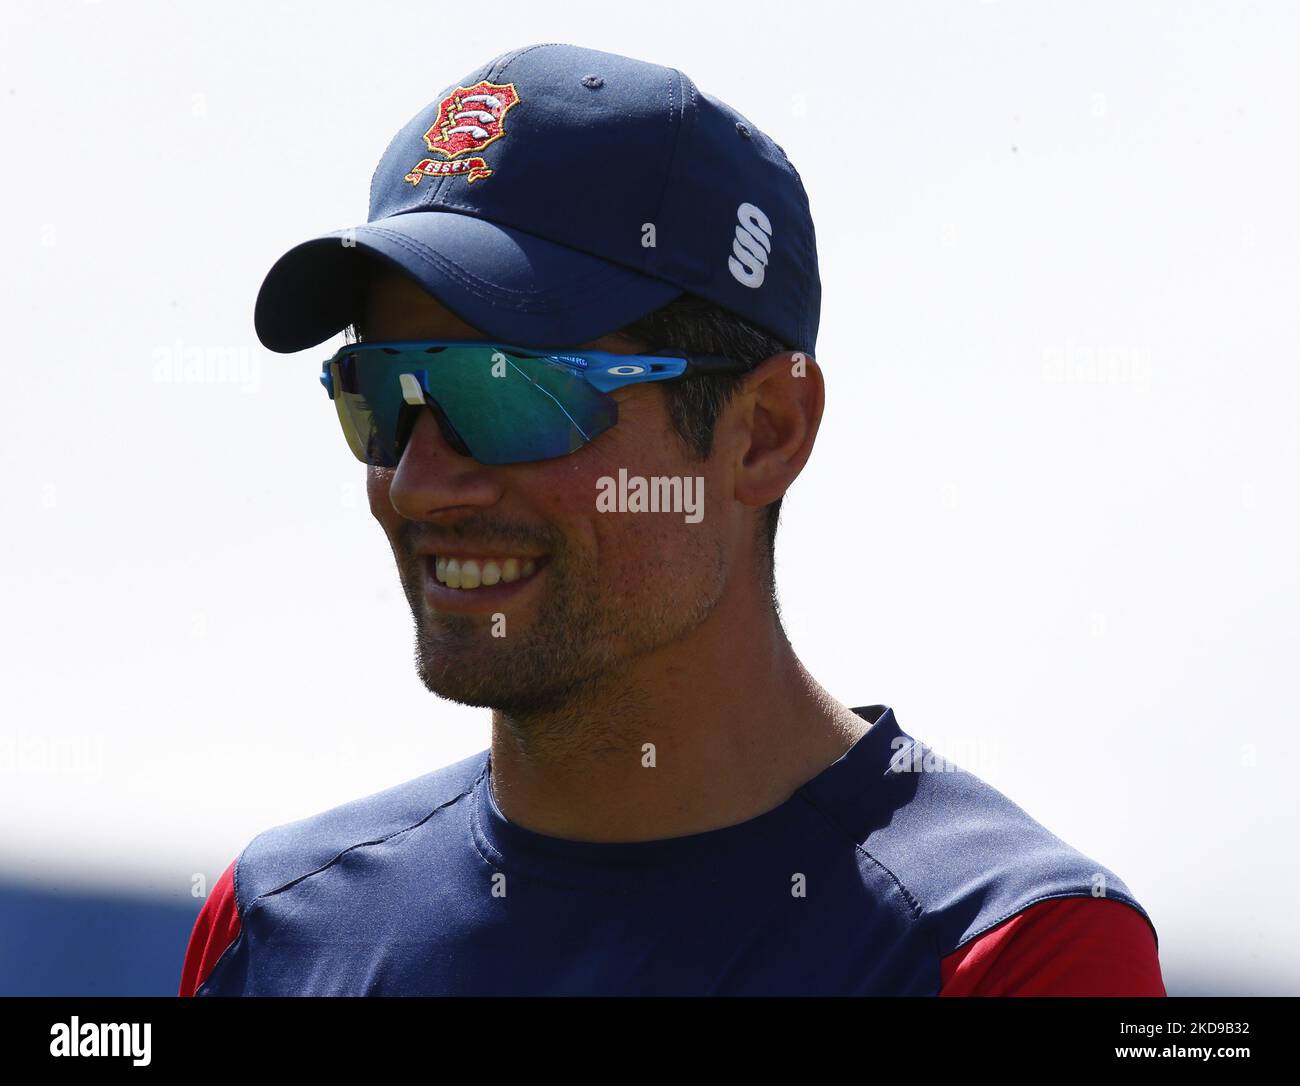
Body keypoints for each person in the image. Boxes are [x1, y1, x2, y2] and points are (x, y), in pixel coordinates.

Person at [180, 42, 1165, 996]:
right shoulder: (272, 925)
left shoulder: (1008, 951)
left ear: (765, 434)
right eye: (381, 391)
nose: (421, 483)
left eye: (506, 391)